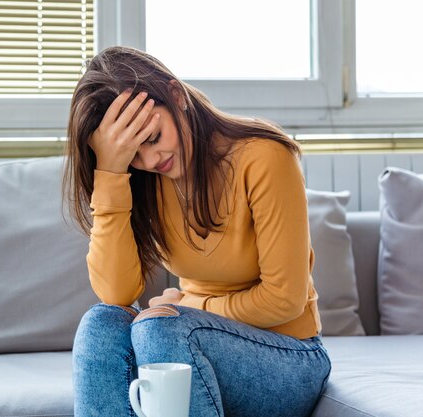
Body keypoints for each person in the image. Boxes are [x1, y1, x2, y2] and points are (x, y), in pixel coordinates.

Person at [63, 46, 331, 417]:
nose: (151, 161)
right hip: (189, 342)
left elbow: (284, 299)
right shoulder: (142, 178)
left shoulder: (264, 157)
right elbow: (116, 293)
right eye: (132, 154)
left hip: (288, 357)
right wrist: (111, 171)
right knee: (101, 324)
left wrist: (186, 305)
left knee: (161, 330)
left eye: (153, 138)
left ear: (176, 96)